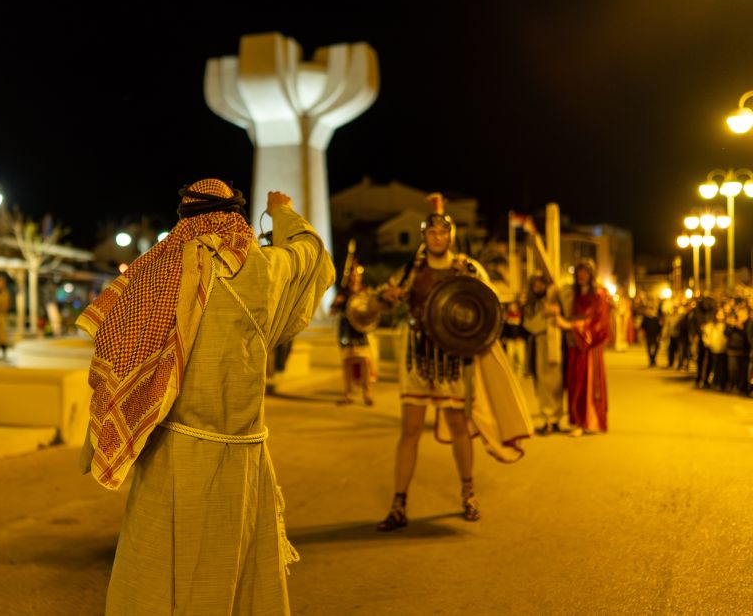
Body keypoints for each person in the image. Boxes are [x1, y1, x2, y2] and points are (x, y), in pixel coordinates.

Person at [76, 179, 333, 615]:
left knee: (162, 569)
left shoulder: (158, 273)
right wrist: (282, 212)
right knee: (238, 569)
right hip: (243, 456)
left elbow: (116, 352)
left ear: (184, 221)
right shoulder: (266, 269)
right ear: (236, 217)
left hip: (174, 454)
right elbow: (312, 253)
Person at [376, 193, 532, 531]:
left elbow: (489, 304)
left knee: (459, 426)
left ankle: (468, 494)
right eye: (432, 233)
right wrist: (385, 298)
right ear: (424, 236)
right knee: (410, 430)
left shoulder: (467, 267)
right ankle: (399, 504)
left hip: (453, 357)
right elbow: (385, 300)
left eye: (442, 232)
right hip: (418, 357)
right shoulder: (412, 269)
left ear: (450, 236)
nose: (437, 237)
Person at [556, 259, 610, 436]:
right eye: (579, 272)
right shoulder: (575, 294)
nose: (581, 275)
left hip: (589, 345)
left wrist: (573, 326)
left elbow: (600, 321)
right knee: (575, 381)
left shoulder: (599, 294)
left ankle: (589, 420)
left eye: (585, 272)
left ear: (591, 274)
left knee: (587, 382)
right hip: (575, 343)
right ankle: (577, 419)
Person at [330, 259, 377, 406]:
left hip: (360, 330)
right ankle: (348, 393)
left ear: (360, 276)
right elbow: (332, 311)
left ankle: (367, 393)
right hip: (346, 330)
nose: (354, 277)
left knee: (365, 361)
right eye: (352, 274)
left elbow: (371, 310)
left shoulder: (364, 292)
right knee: (347, 362)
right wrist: (336, 303)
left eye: (357, 274)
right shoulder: (343, 292)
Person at [522, 271, 564, 435]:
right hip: (540, 345)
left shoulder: (555, 301)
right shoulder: (531, 305)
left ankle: (556, 418)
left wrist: (555, 314)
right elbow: (529, 325)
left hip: (556, 344)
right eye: (535, 283)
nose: (538, 286)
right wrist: (543, 315)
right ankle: (547, 418)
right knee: (543, 384)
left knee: (557, 383)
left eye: (541, 283)